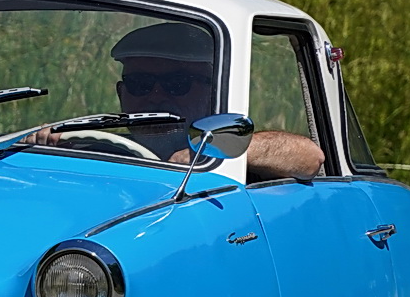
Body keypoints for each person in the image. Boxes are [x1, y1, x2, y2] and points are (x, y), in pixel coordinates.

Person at [104, 22, 326, 181]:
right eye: (140, 83)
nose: (155, 96)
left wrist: (209, 151)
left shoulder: (222, 161)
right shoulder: (99, 150)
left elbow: (309, 157)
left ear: (212, 93)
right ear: (121, 93)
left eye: (177, 83)